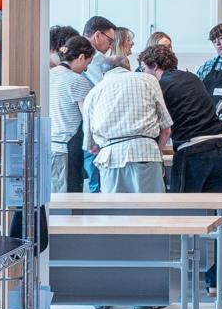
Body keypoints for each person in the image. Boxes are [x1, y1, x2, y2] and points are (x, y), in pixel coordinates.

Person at [141, 44, 222, 294]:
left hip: (194, 152)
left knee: (185, 220)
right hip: (221, 148)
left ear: (154, 66)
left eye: (143, 69)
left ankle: (182, 282)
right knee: (221, 221)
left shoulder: (158, 85)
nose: (143, 75)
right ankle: (216, 283)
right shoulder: (191, 77)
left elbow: (161, 126)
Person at [82, 57, 173, 194]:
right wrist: (156, 151)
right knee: (151, 206)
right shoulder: (148, 80)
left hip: (110, 159)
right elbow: (166, 129)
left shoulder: (93, 93)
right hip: (146, 152)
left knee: (115, 207)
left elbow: (90, 147)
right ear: (128, 68)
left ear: (103, 74)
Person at [49, 36, 93, 193]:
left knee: (52, 197)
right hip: (67, 148)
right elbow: (88, 118)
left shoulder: (47, 76)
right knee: (69, 197)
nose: (85, 69)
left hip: (48, 146)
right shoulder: (78, 81)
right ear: (81, 57)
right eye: (87, 64)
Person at [81, 16, 117, 193]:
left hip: (78, 128)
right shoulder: (96, 59)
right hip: (92, 127)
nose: (110, 46)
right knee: (97, 184)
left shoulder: (80, 55)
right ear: (97, 35)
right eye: (110, 40)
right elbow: (106, 89)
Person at [82, 16, 118, 86]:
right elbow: (107, 87)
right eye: (110, 41)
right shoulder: (96, 56)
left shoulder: (73, 49)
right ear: (97, 36)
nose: (111, 47)